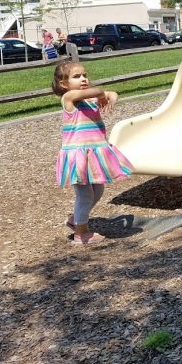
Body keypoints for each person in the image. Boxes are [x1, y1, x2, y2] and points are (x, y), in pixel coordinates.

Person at [51, 61, 133, 245]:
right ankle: (81, 234)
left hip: (94, 152)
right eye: (76, 76)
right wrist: (102, 94)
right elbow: (99, 91)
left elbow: (112, 93)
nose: (83, 79)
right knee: (85, 194)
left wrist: (111, 98)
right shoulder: (69, 98)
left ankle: (75, 219)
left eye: (85, 75)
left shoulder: (90, 99)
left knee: (98, 189)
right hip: (78, 155)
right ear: (64, 84)